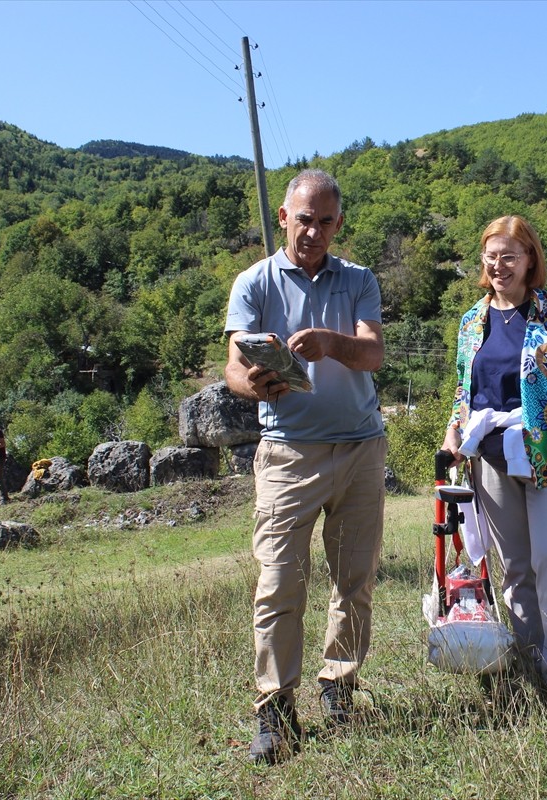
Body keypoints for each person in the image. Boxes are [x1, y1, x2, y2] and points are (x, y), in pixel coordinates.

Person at [224, 169, 387, 764]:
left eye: (324, 221)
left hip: (361, 450)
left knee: (355, 580)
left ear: (338, 224)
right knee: (278, 582)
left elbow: (372, 352)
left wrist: (331, 343)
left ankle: (339, 687)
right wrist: (257, 385)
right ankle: (275, 709)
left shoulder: (360, 280)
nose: (312, 231)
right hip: (289, 453)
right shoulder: (254, 282)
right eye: (303, 219)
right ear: (284, 217)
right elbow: (233, 368)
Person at [440, 215, 547, 721]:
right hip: (489, 459)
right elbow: (466, 391)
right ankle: (531, 664)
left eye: (510, 256)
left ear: (531, 259)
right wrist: (453, 434)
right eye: (491, 255)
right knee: (514, 570)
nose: (498, 265)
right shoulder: (472, 321)